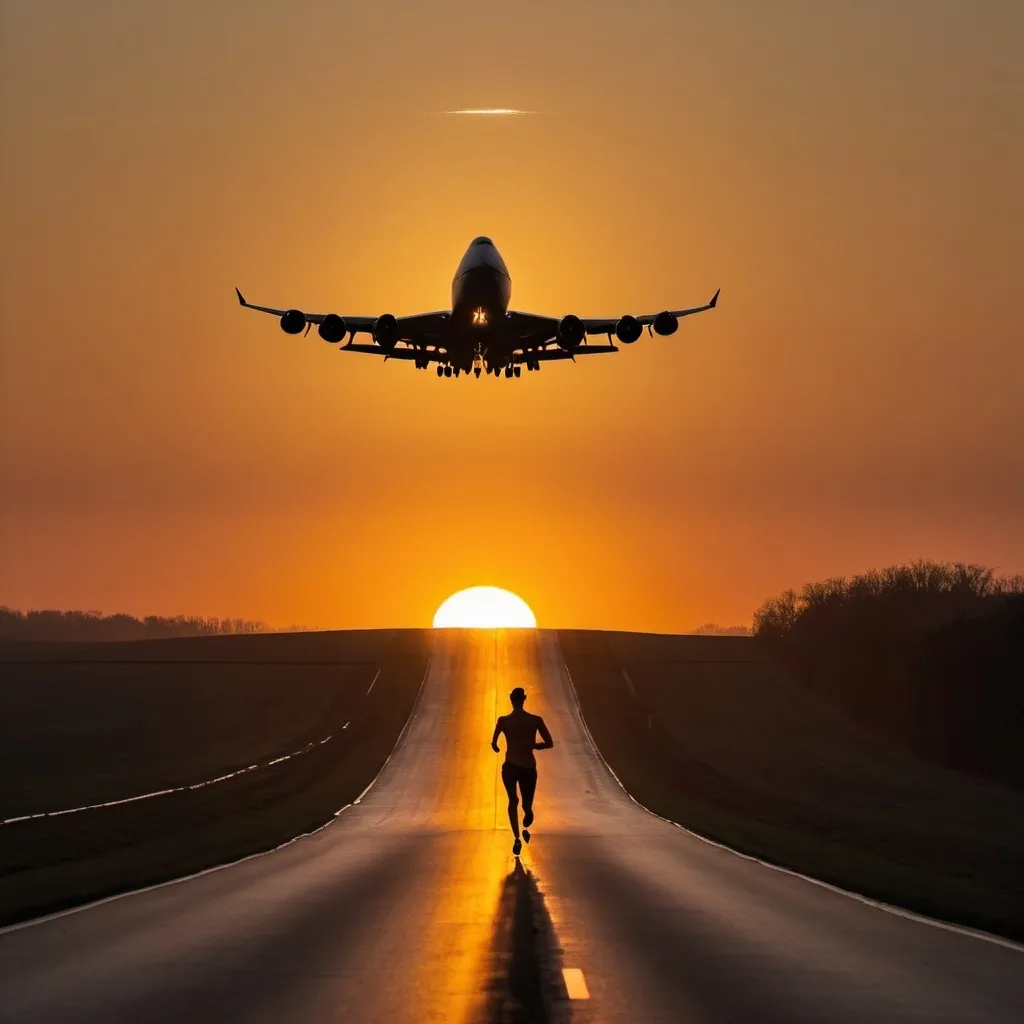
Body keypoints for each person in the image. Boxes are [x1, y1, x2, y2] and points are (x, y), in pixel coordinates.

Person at [491, 686, 554, 856]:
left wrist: (497, 746)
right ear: (523, 700)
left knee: (513, 800)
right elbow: (549, 742)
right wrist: (534, 745)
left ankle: (517, 837)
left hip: (510, 766)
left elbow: (494, 742)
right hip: (528, 767)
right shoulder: (535, 720)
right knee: (525, 803)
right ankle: (527, 812)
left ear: (511, 700)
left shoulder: (503, 721)